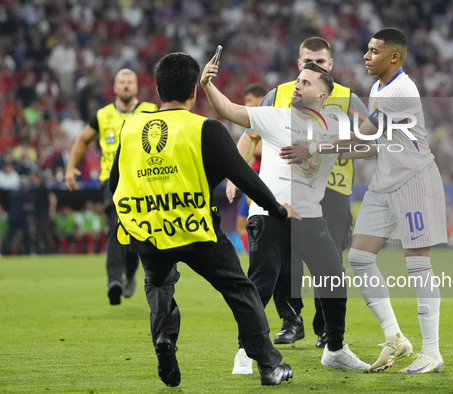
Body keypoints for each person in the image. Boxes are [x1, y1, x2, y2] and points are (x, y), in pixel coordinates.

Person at [109, 52, 293, 387]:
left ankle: (164, 339)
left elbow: (114, 183)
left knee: (160, 283)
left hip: (149, 231)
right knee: (240, 290)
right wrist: (277, 209)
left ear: (157, 88)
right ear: (195, 90)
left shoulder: (130, 128)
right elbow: (245, 177)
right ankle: (269, 364)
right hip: (196, 229)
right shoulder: (205, 129)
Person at [285, 28, 447, 374]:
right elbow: (373, 146)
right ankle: (396, 337)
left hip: (413, 180)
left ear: (394, 57)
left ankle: (432, 351)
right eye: (367, 49)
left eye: (374, 51)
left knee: (418, 264)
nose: (365, 56)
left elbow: (366, 134)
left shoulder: (401, 90)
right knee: (358, 257)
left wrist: (314, 146)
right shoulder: (377, 87)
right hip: (384, 182)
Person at [202, 56, 372, 373]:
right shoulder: (274, 117)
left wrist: (318, 147)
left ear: (323, 94)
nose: (298, 85)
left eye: (306, 82)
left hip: (311, 217)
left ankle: (335, 349)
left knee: (334, 281)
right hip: (269, 215)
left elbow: (370, 144)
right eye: (298, 80)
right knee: (261, 285)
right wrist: (208, 85)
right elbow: (228, 110)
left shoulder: (335, 123)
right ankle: (245, 352)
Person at [65, 69, 159, 305]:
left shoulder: (150, 110)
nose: (126, 86)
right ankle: (114, 281)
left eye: (130, 82)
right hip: (112, 181)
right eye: (122, 82)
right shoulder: (103, 115)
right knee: (117, 224)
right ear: (115, 88)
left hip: (141, 181)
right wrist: (70, 168)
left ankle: (128, 273)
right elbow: (83, 139)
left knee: (135, 231)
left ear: (136, 87)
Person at [226, 84, 266, 253]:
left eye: (249, 100)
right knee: (242, 226)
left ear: (261, 99)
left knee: (248, 225)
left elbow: (262, 149)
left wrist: (243, 145)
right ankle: (255, 260)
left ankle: (260, 260)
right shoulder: (256, 123)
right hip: (254, 176)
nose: (247, 105)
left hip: (263, 178)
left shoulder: (268, 119)